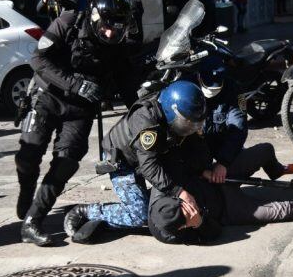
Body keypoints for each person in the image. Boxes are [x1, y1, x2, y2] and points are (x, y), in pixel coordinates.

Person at [14, 0, 134, 246]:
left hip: (80, 111)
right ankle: (26, 188)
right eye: (107, 26)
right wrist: (75, 84)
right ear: (94, 17)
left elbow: (127, 85)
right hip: (47, 96)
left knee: (66, 162)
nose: (111, 33)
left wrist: (142, 111)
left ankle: (32, 222)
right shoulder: (69, 22)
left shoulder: (117, 46)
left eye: (118, 27)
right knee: (29, 154)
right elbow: (38, 60)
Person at [63, 81, 208, 241]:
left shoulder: (178, 113)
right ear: (171, 110)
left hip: (149, 156)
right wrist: (179, 192)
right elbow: (149, 167)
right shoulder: (146, 122)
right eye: (186, 123)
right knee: (139, 214)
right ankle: (86, 211)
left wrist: (204, 170)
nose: (189, 128)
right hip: (122, 163)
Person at [148, 153, 293, 244]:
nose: (192, 210)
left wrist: (205, 171)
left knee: (263, 151)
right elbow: (215, 233)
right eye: (188, 219)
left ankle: (282, 169)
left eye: (188, 208)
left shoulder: (163, 189)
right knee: (283, 210)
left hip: (215, 179)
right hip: (229, 211)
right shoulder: (172, 234)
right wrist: (200, 223)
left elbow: (182, 162)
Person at [193, 55, 293, 184]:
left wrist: (223, 163)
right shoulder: (186, 91)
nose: (212, 90)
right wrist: (200, 170)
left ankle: (277, 170)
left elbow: (239, 126)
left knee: (266, 150)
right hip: (196, 163)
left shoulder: (237, 93)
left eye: (216, 87)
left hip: (223, 154)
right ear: (199, 77)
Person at [108, 0, 144, 107]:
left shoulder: (133, 2)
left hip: (130, 42)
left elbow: (123, 16)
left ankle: (128, 98)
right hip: (122, 40)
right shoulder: (120, 0)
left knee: (122, 71)